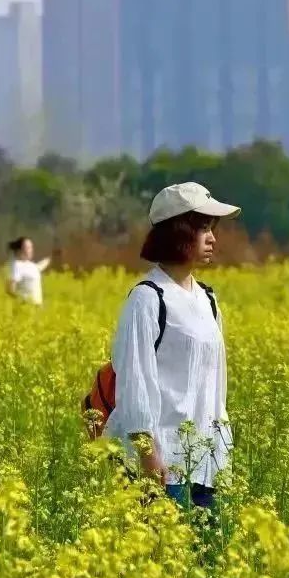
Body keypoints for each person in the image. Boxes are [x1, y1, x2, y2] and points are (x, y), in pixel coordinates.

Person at [104, 181, 239, 512]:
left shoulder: (208, 300)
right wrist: (148, 456)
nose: (212, 238)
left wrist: (222, 454)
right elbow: (134, 383)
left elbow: (215, 387)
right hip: (163, 466)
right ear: (178, 233)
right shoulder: (148, 298)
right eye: (203, 228)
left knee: (209, 561)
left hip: (207, 465)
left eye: (212, 228)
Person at [6, 236, 51, 305]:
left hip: (37, 308)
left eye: (31, 247)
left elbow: (39, 267)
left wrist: (51, 257)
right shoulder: (17, 265)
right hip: (25, 309)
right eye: (28, 248)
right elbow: (10, 289)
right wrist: (23, 301)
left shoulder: (31, 265)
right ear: (19, 250)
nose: (31, 250)